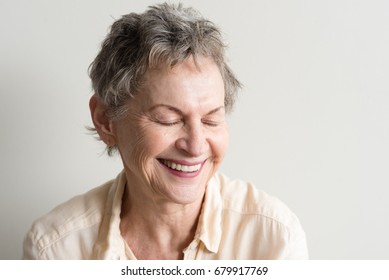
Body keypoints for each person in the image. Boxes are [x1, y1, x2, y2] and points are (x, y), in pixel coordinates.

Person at [23, 2, 308, 260]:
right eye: (168, 119)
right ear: (106, 120)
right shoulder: (55, 249)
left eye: (211, 120)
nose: (196, 145)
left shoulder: (274, 240)